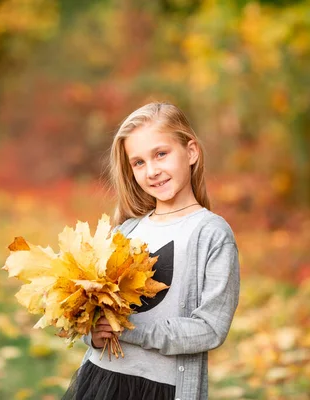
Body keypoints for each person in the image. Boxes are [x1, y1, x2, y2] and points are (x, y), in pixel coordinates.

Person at [63, 102, 240, 400]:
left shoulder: (211, 233)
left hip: (161, 389)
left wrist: (133, 331)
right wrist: (92, 335)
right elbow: (96, 310)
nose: (152, 171)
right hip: (101, 378)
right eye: (139, 162)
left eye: (161, 154)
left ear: (191, 152)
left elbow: (211, 328)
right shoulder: (126, 231)